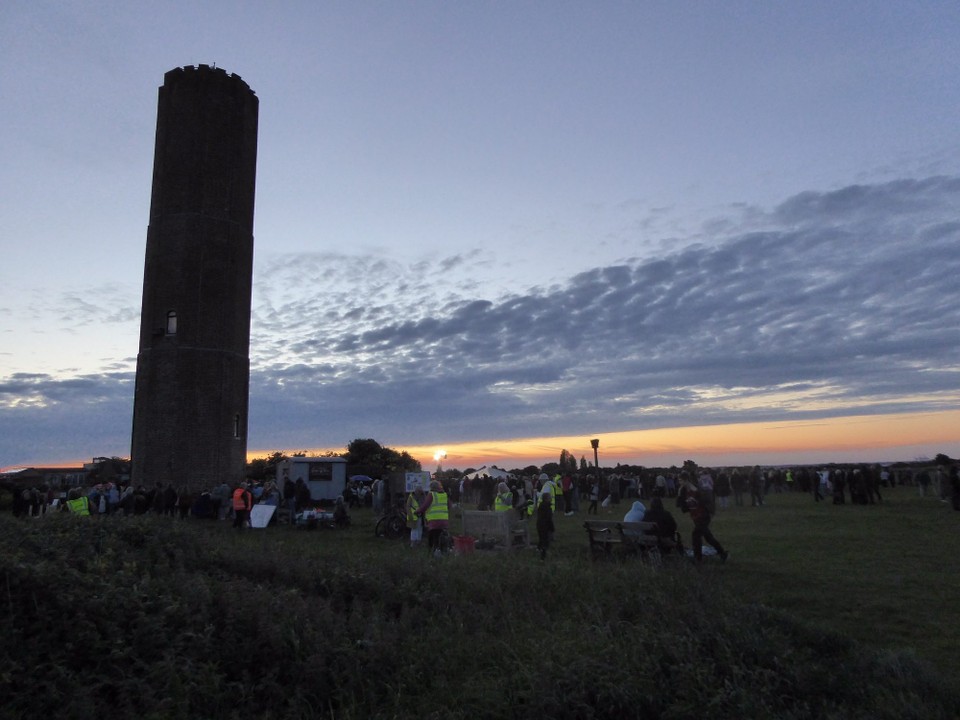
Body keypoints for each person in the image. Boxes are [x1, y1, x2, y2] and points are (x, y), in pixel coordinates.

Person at [678, 473, 728, 563]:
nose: (679, 482)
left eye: (681, 480)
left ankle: (698, 559)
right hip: (695, 517)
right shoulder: (684, 491)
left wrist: (711, 512)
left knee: (695, 535)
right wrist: (679, 494)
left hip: (703, 516)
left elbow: (708, 501)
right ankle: (722, 553)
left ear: (686, 480)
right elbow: (681, 506)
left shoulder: (697, 490)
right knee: (708, 537)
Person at [418, 480, 449, 556]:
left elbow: (425, 506)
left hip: (434, 521)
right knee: (439, 536)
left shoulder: (431, 495)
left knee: (432, 537)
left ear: (431, 487)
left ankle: (433, 553)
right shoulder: (444, 494)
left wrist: (417, 511)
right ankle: (441, 551)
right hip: (444, 520)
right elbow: (450, 505)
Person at [536, 491, 554, 560]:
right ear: (547, 499)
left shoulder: (541, 506)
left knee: (541, 538)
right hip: (545, 526)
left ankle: (538, 548)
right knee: (546, 540)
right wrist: (552, 527)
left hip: (539, 524)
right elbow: (548, 518)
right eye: (550, 497)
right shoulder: (547, 507)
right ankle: (543, 556)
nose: (551, 498)